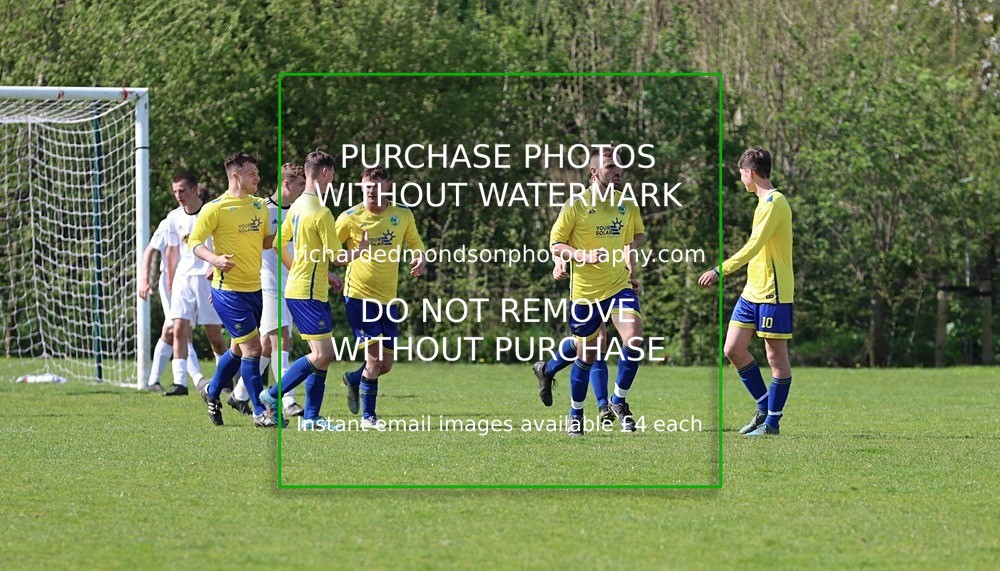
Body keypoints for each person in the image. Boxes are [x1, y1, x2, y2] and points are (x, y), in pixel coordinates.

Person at [549, 146, 645, 436]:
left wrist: (631, 270)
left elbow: (632, 239)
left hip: (618, 285)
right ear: (594, 172)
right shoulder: (575, 205)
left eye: (618, 166)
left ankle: (617, 400)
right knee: (588, 355)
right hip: (585, 292)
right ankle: (575, 413)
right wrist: (582, 257)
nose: (617, 171)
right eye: (610, 166)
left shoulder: (626, 204)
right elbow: (556, 244)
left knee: (634, 338)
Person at [698, 147, 794, 437]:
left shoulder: (775, 202)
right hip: (752, 291)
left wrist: (719, 270)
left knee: (776, 358)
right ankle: (764, 406)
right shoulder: (762, 202)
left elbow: (753, 246)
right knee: (732, 349)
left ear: (750, 173)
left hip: (773, 293)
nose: (741, 179)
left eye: (741, 174)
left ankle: (772, 424)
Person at [335, 166, 426, 430]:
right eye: (367, 187)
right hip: (359, 295)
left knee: (385, 364)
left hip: (388, 299)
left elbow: (415, 242)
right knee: (374, 360)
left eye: (376, 186)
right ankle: (369, 418)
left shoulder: (402, 215)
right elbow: (330, 249)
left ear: (387, 187)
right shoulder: (349, 218)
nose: (371, 191)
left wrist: (420, 257)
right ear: (361, 187)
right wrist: (330, 270)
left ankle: (354, 379)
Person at [190, 153, 276, 427]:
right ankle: (260, 412)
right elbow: (195, 242)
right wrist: (214, 259)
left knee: (238, 349)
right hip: (228, 291)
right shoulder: (214, 208)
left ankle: (212, 391)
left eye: (257, 172)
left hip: (255, 289)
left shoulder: (259, 206)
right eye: (252, 173)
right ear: (235, 176)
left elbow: (264, 242)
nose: (257, 177)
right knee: (253, 348)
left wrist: (289, 230)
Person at [259, 151, 343, 429]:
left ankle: (311, 417)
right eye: (331, 175)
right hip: (306, 292)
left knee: (323, 356)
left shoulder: (296, 207)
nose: (331, 181)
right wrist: (363, 251)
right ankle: (273, 394)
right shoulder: (321, 212)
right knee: (322, 354)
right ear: (325, 173)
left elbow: (277, 243)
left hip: (308, 288)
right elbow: (338, 256)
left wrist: (295, 267)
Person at [227, 163, 306, 417]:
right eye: (301, 184)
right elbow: (252, 241)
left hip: (291, 283)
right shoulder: (262, 208)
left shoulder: (299, 210)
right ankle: (287, 400)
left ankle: (239, 394)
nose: (304, 189)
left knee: (266, 345)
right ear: (287, 183)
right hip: (268, 283)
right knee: (281, 339)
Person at [161, 172, 226, 396]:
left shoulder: (211, 212)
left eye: (182, 191)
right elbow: (172, 251)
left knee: (214, 336)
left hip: (206, 278)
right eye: (175, 191)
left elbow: (221, 243)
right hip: (183, 278)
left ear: (194, 189)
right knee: (178, 328)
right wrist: (171, 281)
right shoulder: (173, 217)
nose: (178, 195)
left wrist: (215, 265)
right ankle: (180, 382)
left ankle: (224, 377)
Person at [532, 257, 615, 426]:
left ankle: (547, 369)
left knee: (588, 344)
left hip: (611, 281)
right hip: (586, 285)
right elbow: (559, 243)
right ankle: (602, 405)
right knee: (597, 342)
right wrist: (559, 262)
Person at [137, 215, 203, 392]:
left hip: (190, 281)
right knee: (179, 329)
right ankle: (198, 379)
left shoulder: (201, 217)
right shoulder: (170, 221)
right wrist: (144, 280)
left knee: (171, 331)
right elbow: (150, 250)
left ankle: (153, 381)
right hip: (171, 283)